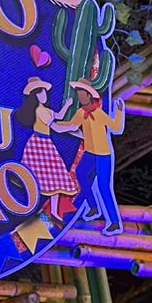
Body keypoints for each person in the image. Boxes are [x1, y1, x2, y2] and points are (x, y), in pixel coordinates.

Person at [52, 80, 124, 235]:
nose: (80, 96)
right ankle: (93, 207)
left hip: (103, 155)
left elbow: (116, 127)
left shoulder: (98, 113)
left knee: (104, 187)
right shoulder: (81, 113)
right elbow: (71, 125)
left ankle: (114, 222)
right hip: (90, 153)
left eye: (82, 93)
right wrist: (54, 125)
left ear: (89, 95)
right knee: (80, 174)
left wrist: (118, 113)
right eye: (79, 93)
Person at [15, 78, 79, 223]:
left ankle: (54, 212)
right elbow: (56, 128)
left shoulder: (45, 110)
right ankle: (30, 209)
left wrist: (68, 105)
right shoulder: (40, 111)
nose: (44, 95)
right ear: (35, 95)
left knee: (56, 177)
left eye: (44, 92)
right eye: (41, 92)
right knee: (37, 179)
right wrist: (71, 127)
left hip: (46, 143)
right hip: (39, 145)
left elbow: (59, 116)